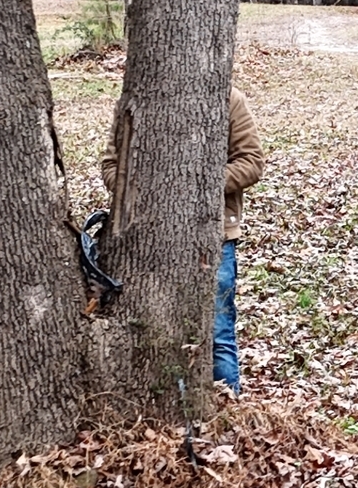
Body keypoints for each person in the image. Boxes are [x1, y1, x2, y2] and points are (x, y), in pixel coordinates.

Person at [101, 87, 267, 395]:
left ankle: (227, 409)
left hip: (214, 237)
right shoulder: (134, 99)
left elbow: (251, 161)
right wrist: (141, 194)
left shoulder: (229, 99)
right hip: (146, 240)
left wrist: (194, 186)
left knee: (217, 333)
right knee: (153, 329)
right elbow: (111, 165)